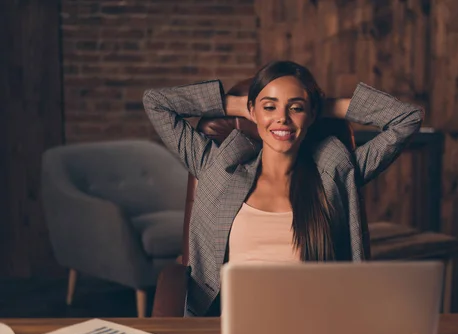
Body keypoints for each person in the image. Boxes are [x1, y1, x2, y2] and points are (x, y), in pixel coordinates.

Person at [143, 60, 424, 317]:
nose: (282, 118)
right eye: (270, 106)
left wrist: (326, 108)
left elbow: (407, 118)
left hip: (312, 323)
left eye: (295, 107)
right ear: (253, 111)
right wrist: (239, 106)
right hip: (231, 322)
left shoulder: (337, 172)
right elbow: (156, 102)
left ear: (311, 113)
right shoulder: (218, 167)